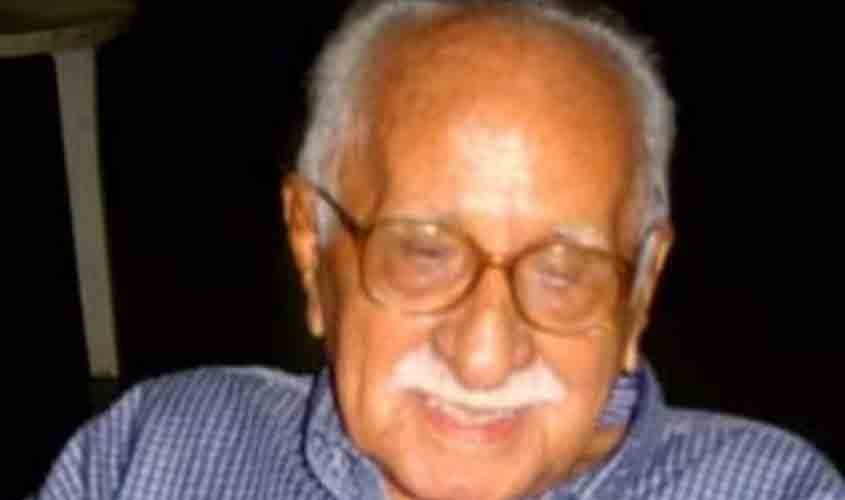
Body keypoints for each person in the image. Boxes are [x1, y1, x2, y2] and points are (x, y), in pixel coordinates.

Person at [32, 1, 844, 499]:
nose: (484, 357)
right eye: (422, 254)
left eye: (563, 271)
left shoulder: (775, 491)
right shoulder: (153, 454)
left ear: (639, 293)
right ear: (311, 248)